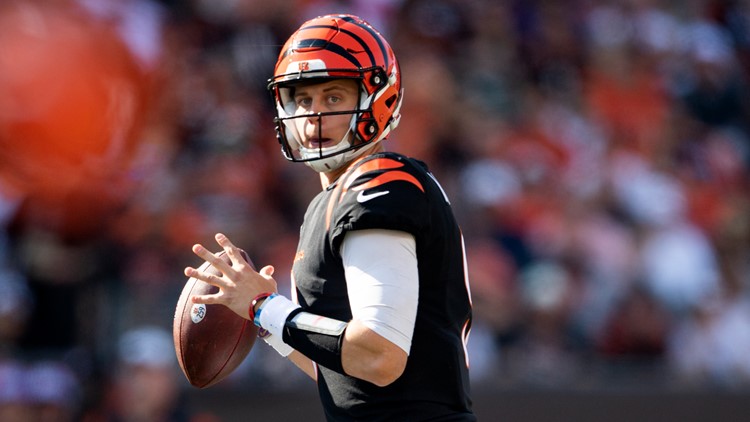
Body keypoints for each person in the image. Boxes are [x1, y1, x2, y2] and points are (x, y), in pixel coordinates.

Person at [185, 14, 476, 421]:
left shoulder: (379, 181)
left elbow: (379, 357)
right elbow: (349, 378)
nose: (312, 115)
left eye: (333, 98)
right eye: (303, 100)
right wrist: (268, 324)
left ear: (378, 98)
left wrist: (263, 305)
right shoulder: (331, 200)